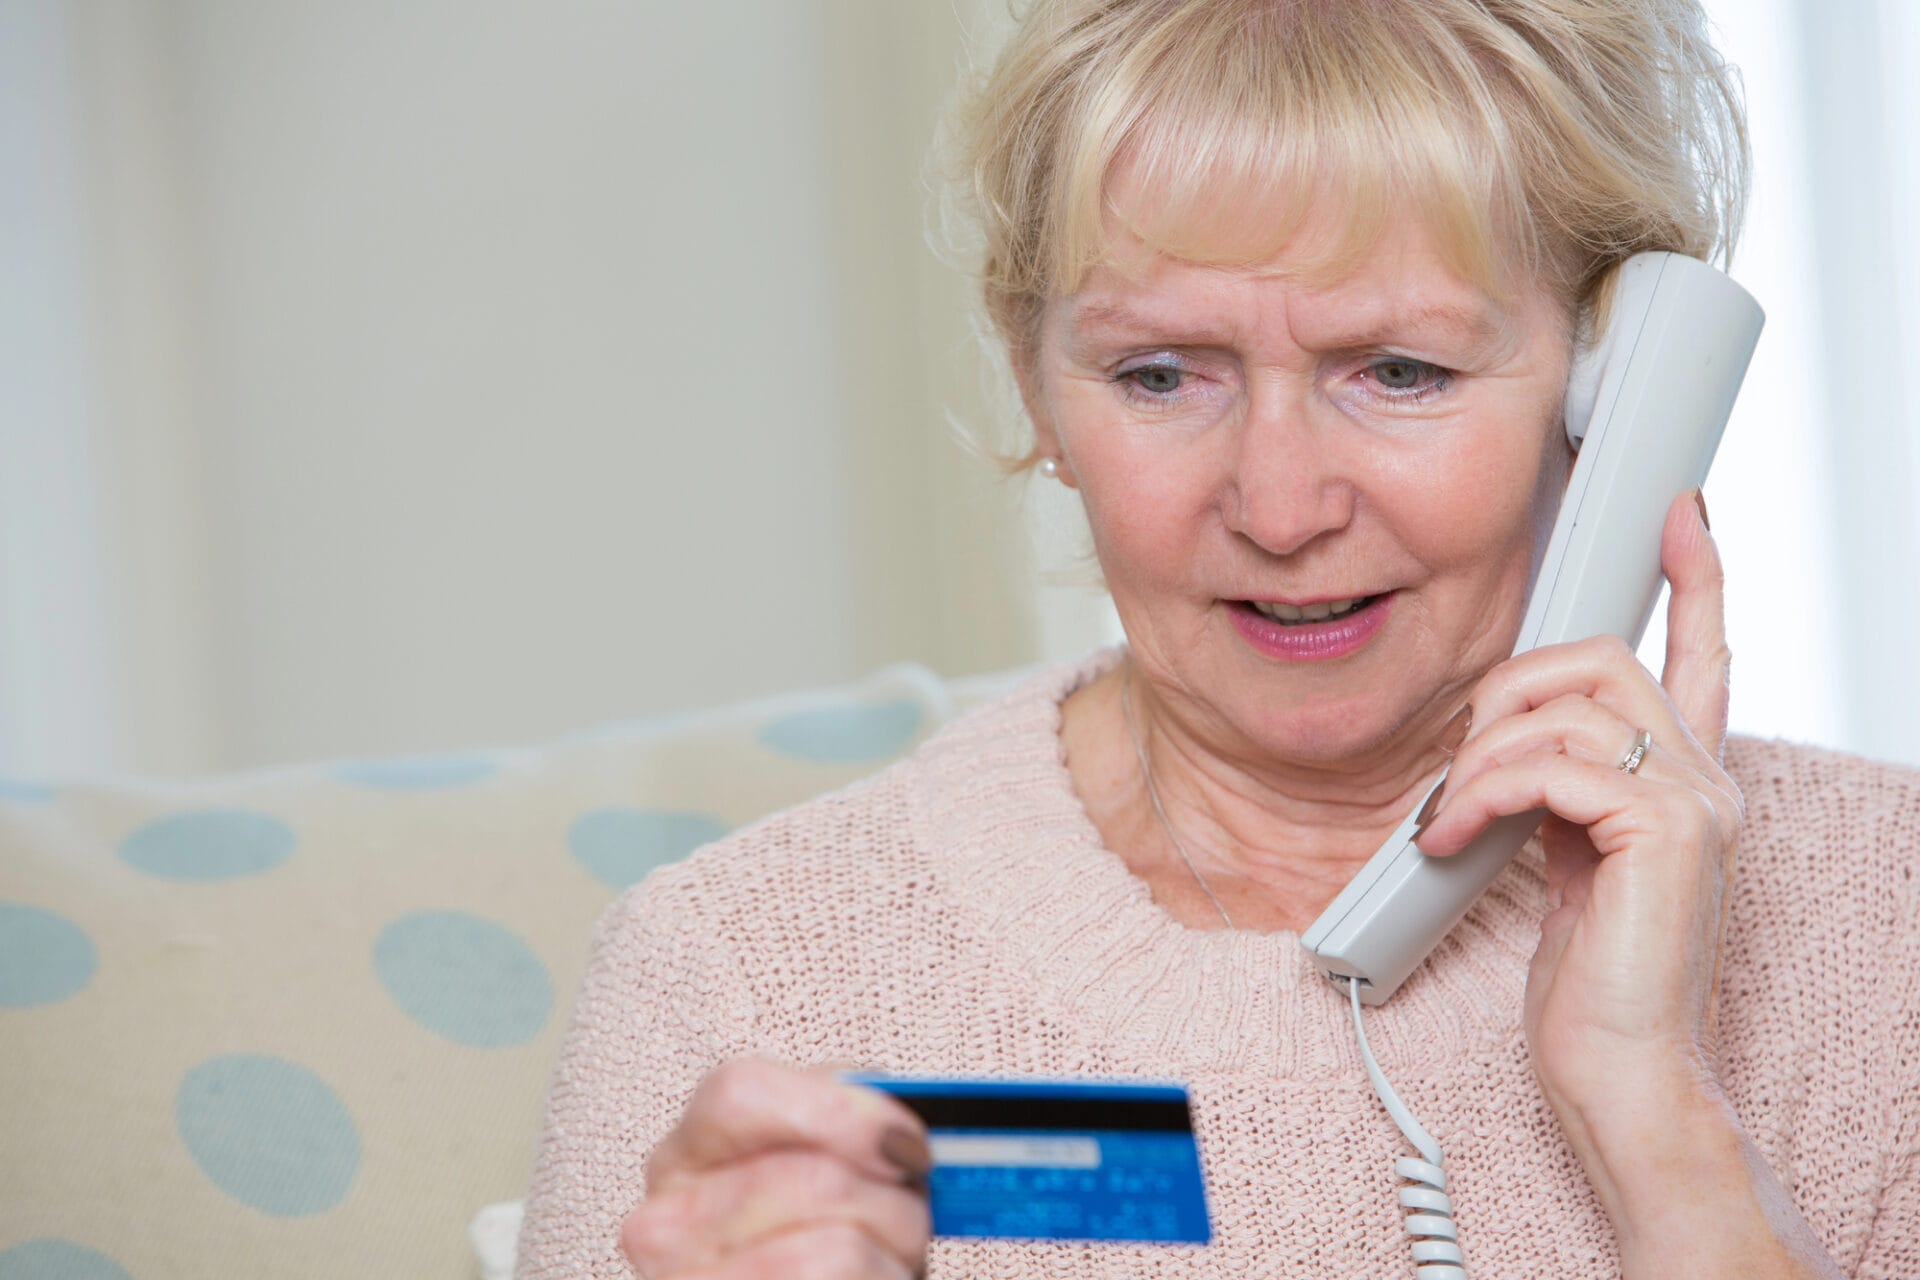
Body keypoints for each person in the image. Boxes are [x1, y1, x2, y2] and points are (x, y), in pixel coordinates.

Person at [516, 1, 1920, 1276]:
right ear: (1039, 394)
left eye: (1400, 370)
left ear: (1612, 397)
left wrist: (1659, 1121)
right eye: (1161, 375)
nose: (1279, 504)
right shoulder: (744, 977)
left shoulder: (1885, 919)